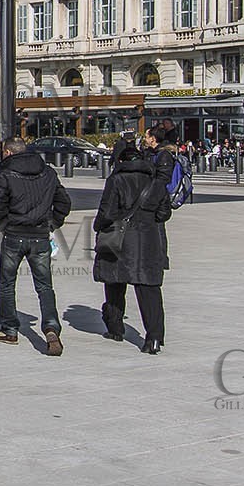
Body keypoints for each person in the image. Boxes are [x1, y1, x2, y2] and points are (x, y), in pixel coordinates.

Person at [0, 137, 72, 354]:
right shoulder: (48, 172)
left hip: (14, 235)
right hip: (40, 235)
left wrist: (3, 225)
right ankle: (51, 327)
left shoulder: (5, 173)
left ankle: (9, 329)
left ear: (8, 152)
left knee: (7, 283)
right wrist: (53, 223)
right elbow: (64, 201)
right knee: (44, 285)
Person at [93, 137, 172, 354]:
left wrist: (98, 226)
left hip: (119, 239)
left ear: (120, 161)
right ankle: (154, 338)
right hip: (148, 240)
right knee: (149, 289)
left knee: (114, 282)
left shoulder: (116, 180)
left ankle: (115, 328)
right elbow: (164, 213)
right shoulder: (156, 182)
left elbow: (106, 212)